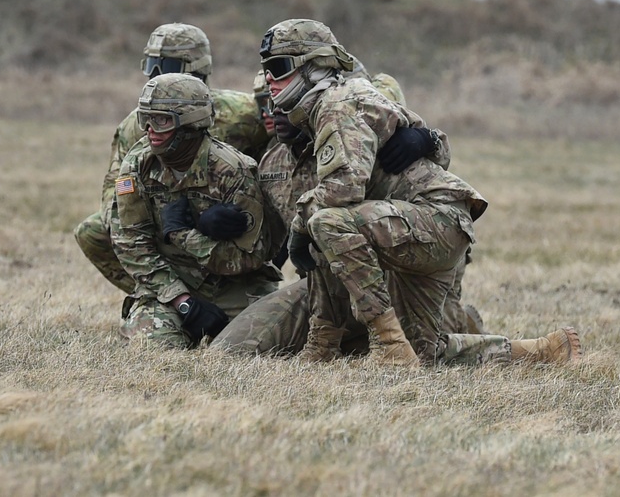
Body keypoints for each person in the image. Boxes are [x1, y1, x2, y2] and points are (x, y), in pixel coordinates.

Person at [235, 18, 580, 367]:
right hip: (426, 225)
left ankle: (386, 347)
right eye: (266, 70)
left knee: (325, 222)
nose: (269, 80)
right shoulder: (338, 104)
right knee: (427, 352)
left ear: (314, 66)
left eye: (278, 68)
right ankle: (543, 350)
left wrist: (297, 229)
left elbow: (342, 192)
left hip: (432, 220)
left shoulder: (337, 104)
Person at [213, 61, 457, 357]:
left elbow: (434, 200)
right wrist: (207, 226)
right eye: (267, 102)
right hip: (328, 290)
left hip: (395, 271)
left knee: (427, 352)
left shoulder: (355, 139)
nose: (274, 110)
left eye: (283, 100)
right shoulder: (271, 164)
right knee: (230, 348)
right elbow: (267, 246)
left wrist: (429, 140)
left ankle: (450, 318)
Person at [74, 23, 271, 294]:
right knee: (93, 231)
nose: (154, 75)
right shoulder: (135, 126)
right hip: (166, 223)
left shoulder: (243, 114)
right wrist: (166, 219)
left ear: (196, 68)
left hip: (231, 230)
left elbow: (279, 162)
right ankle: (160, 298)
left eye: (164, 65)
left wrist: (250, 206)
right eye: (150, 65)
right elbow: (114, 199)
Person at [109, 73, 284, 349]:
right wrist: (182, 302)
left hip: (236, 288)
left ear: (190, 123)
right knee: (152, 348)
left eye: (162, 120)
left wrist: (184, 233)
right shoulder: (138, 165)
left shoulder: (233, 170)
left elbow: (250, 259)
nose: (150, 129)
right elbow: (131, 244)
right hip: (172, 284)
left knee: (250, 350)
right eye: (146, 119)